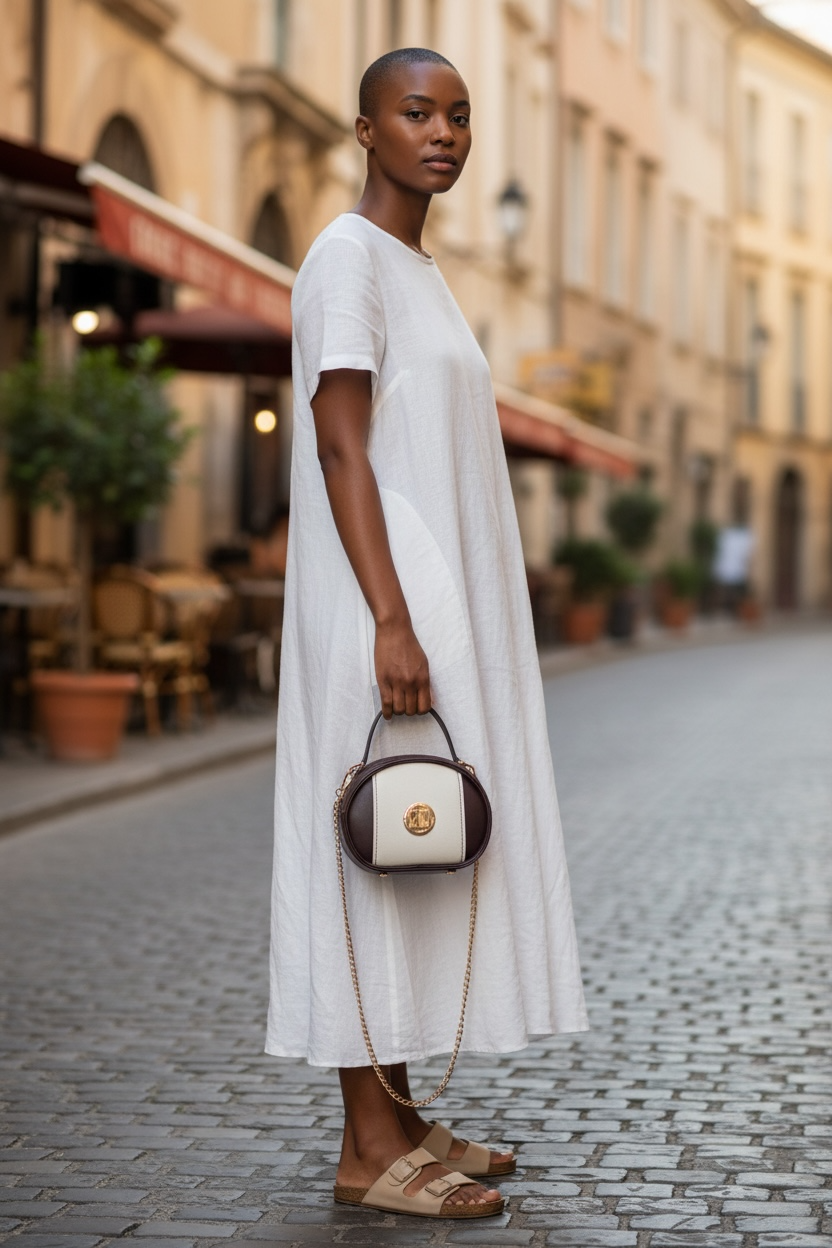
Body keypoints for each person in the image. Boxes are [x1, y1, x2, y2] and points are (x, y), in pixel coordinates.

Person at [266, 47, 588, 1219]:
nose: (442, 132)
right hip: (381, 603)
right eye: (416, 112)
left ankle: (399, 1115)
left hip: (429, 599)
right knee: (369, 848)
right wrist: (392, 622)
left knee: (410, 848)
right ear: (364, 129)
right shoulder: (345, 261)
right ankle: (364, 1148)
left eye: (457, 114)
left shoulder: (417, 267)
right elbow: (341, 445)